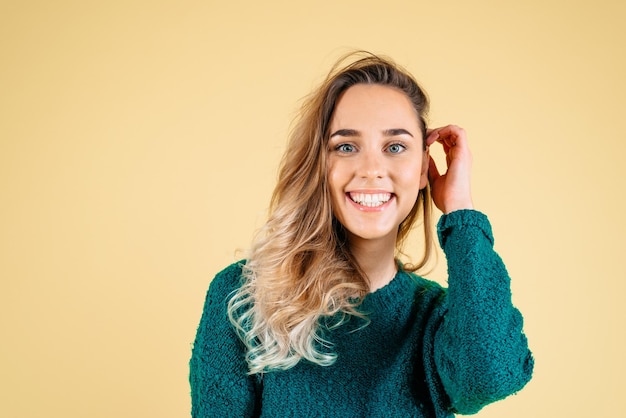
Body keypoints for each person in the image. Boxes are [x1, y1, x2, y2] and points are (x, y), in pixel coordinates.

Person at [189, 52, 534, 417]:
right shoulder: (242, 297)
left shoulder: (440, 318)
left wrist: (461, 212)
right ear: (320, 166)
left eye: (395, 147)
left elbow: (490, 376)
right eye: (347, 146)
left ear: (422, 169)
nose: (372, 169)